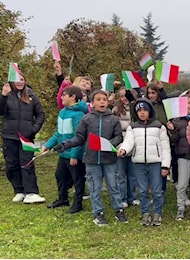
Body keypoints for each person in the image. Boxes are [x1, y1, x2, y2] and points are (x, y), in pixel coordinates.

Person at [54, 90, 126, 226]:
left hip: (109, 159)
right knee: (95, 187)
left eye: (104, 99)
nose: (102, 102)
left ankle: (119, 210)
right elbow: (79, 137)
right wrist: (64, 144)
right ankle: (98, 213)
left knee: (114, 185)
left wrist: (109, 144)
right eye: (98, 99)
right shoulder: (86, 119)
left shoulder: (113, 119)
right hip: (91, 160)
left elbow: (118, 136)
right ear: (92, 103)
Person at [118, 98, 171, 226]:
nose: (142, 113)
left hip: (156, 163)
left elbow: (165, 147)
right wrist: (123, 149)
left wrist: (165, 166)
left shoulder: (159, 126)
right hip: (139, 163)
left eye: (144, 110)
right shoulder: (133, 127)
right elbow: (129, 141)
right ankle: (145, 213)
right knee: (142, 191)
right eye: (139, 110)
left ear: (150, 111)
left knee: (157, 191)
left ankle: (157, 214)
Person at [0, 73, 46, 204]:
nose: (20, 82)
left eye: (22, 79)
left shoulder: (31, 95)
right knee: (12, 164)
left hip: (26, 137)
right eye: (17, 80)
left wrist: (33, 129)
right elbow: (1, 112)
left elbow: (41, 115)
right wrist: (3, 95)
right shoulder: (6, 95)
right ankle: (19, 190)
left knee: (27, 163)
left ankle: (32, 192)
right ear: (11, 81)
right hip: (9, 136)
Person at [43, 86, 88, 213]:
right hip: (63, 152)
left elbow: (78, 137)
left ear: (73, 97)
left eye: (64, 95)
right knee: (60, 175)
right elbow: (59, 133)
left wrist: (74, 155)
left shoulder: (79, 115)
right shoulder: (62, 112)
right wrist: (48, 145)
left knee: (77, 179)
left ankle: (78, 203)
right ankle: (63, 199)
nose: (61, 98)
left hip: (73, 154)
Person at [166, 96, 190, 220]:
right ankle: (180, 208)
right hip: (183, 157)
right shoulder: (177, 121)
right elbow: (173, 140)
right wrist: (172, 131)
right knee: (182, 185)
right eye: (188, 103)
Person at [112, 87, 139, 208]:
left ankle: (132, 197)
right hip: (120, 144)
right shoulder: (116, 109)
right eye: (122, 96)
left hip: (134, 145)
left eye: (126, 96)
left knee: (133, 174)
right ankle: (122, 198)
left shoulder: (137, 108)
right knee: (120, 174)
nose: (124, 99)